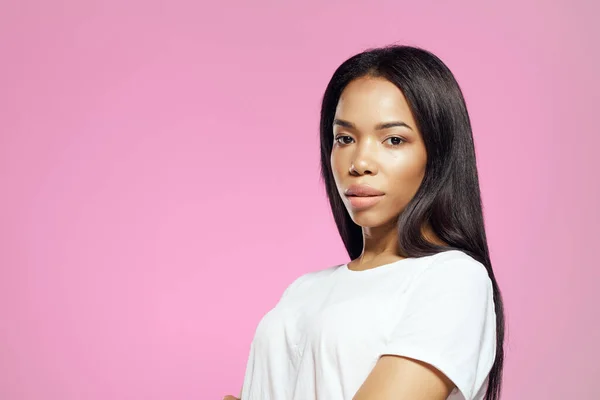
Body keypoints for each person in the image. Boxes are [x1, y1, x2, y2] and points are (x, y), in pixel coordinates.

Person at [223, 44, 505, 400]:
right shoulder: (303, 289)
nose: (360, 162)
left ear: (438, 154)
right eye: (345, 138)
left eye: (393, 139)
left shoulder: (453, 279)